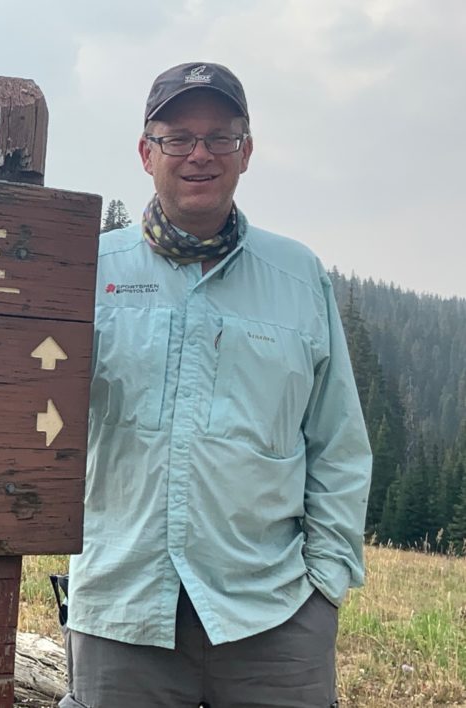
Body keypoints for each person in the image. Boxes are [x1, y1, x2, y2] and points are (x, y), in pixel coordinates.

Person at [60, 62, 372, 708]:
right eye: (178, 137)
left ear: (246, 152)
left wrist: (325, 587)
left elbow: (339, 444)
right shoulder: (90, 272)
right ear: (146, 152)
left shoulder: (298, 278)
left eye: (219, 137)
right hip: (122, 613)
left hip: (274, 619)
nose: (199, 154)